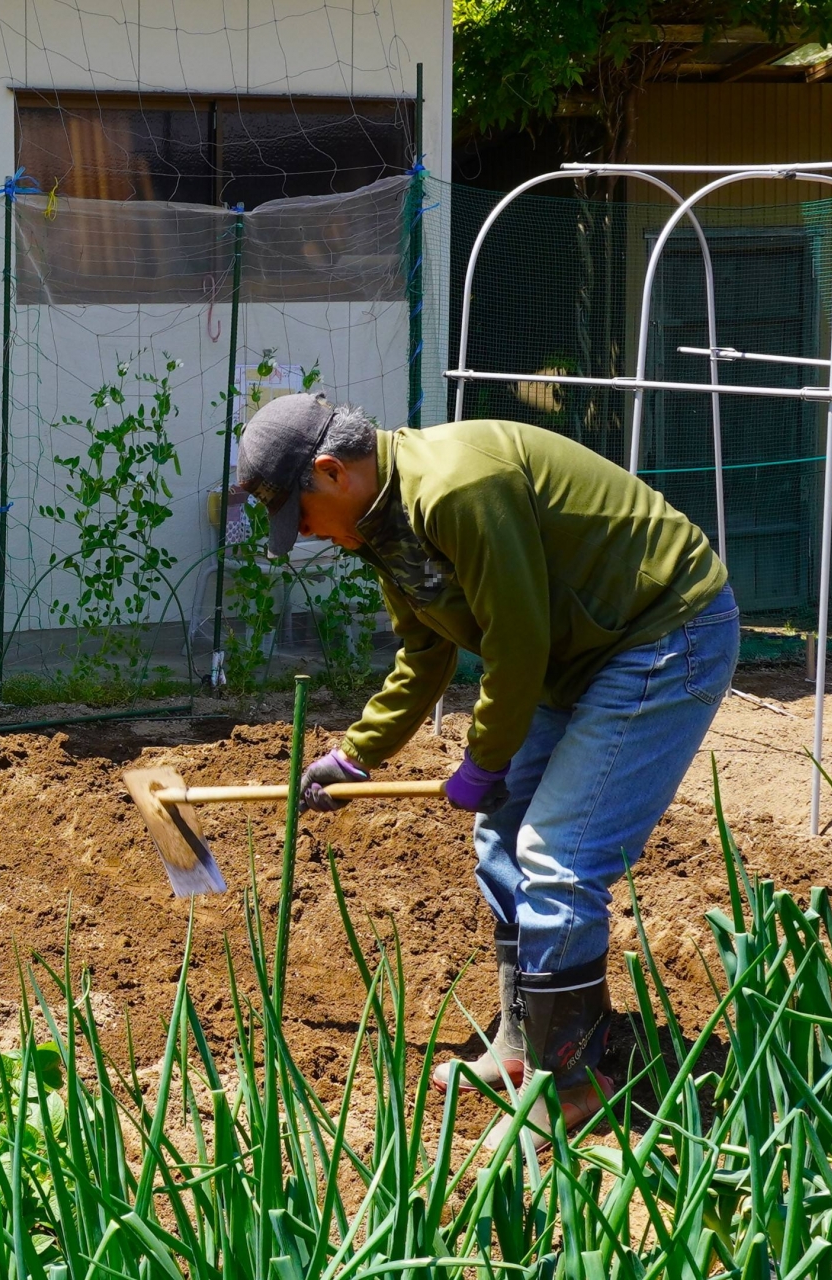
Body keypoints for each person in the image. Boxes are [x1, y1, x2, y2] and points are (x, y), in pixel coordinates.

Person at [234, 393, 736, 1146]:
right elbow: (426, 650)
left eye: (301, 518)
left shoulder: (457, 488)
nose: (305, 536)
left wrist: (484, 759)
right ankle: (523, 1040)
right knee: (500, 841)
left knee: (558, 858)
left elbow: (518, 643)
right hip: (579, 653)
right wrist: (358, 752)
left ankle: (572, 1078)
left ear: (333, 472)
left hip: (660, 634)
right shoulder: (378, 529)